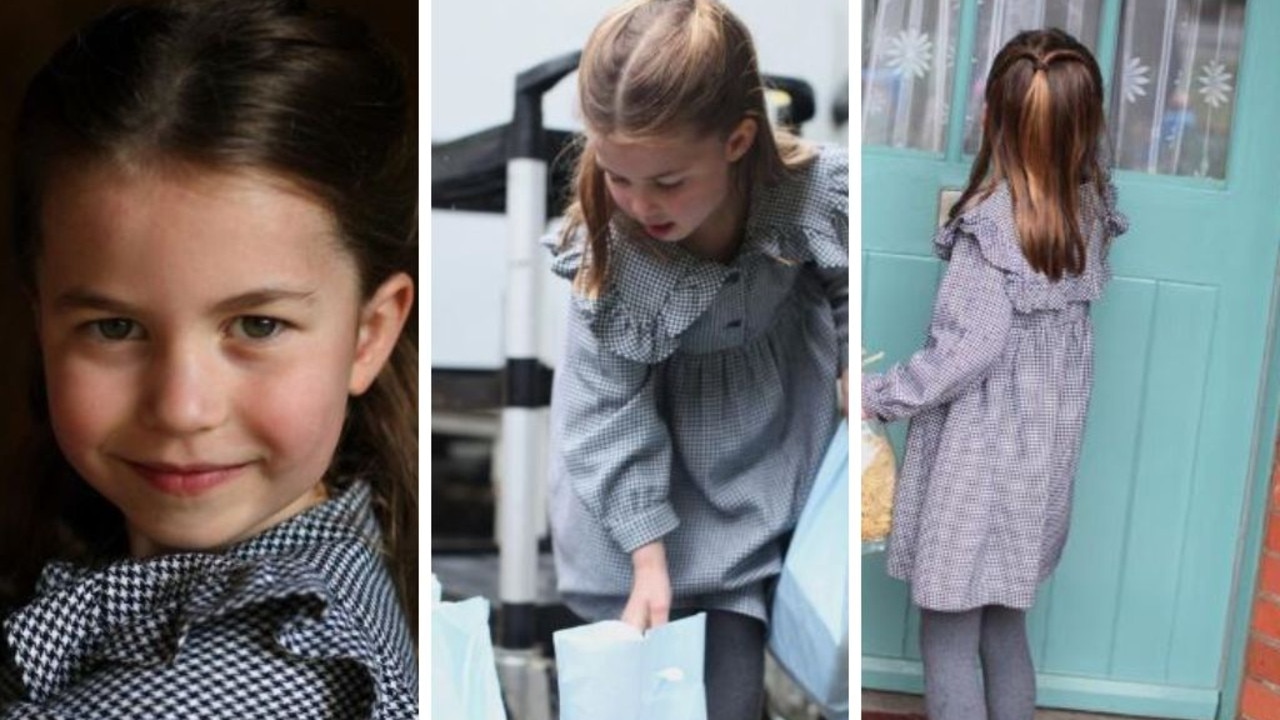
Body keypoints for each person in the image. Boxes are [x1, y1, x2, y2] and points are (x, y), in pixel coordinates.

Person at [0, 1, 418, 717]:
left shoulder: (233, 687)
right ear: (41, 321)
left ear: (369, 334)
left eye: (257, 325)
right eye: (113, 328)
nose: (183, 408)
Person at [543, 0, 848, 717]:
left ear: (739, 140)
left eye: (668, 181)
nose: (641, 202)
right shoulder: (614, 255)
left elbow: (845, 276)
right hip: (637, 524)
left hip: (761, 490)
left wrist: (848, 367)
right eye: (619, 176)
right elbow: (605, 411)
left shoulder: (807, 193)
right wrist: (647, 556)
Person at [861, 28, 1128, 719]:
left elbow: (963, 353)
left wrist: (876, 397)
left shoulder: (992, 231)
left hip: (974, 470)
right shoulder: (1089, 216)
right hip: (1038, 468)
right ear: (1086, 125)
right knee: (1005, 625)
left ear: (993, 120)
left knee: (948, 638)